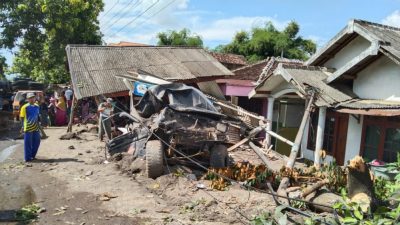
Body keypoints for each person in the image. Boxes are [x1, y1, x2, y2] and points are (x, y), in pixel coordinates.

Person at [19, 93, 41, 162]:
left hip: (36, 127)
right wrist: (22, 126)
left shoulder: (37, 106)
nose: (32, 99)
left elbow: (38, 116)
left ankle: (32, 156)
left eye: (33, 97)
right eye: (30, 98)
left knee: (37, 141)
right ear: (27, 99)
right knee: (28, 143)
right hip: (28, 127)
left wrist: (39, 123)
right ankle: (27, 158)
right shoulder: (24, 107)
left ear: (35, 98)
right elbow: (22, 118)